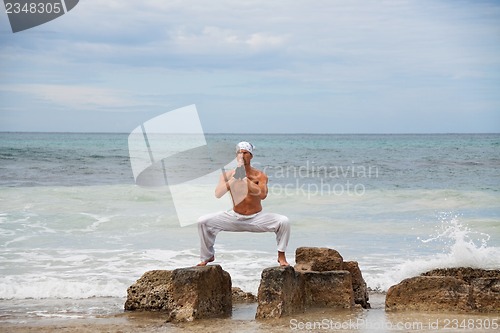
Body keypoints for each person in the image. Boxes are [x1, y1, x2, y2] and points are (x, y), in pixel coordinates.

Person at [197, 141, 290, 266]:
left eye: (245, 153)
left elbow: (262, 195)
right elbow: (218, 194)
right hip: (234, 218)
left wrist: (244, 178)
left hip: (256, 218)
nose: (242, 155)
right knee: (202, 221)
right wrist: (235, 178)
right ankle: (207, 256)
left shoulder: (260, 176)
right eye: (239, 153)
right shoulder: (228, 175)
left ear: (251, 156)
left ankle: (281, 257)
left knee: (284, 221)